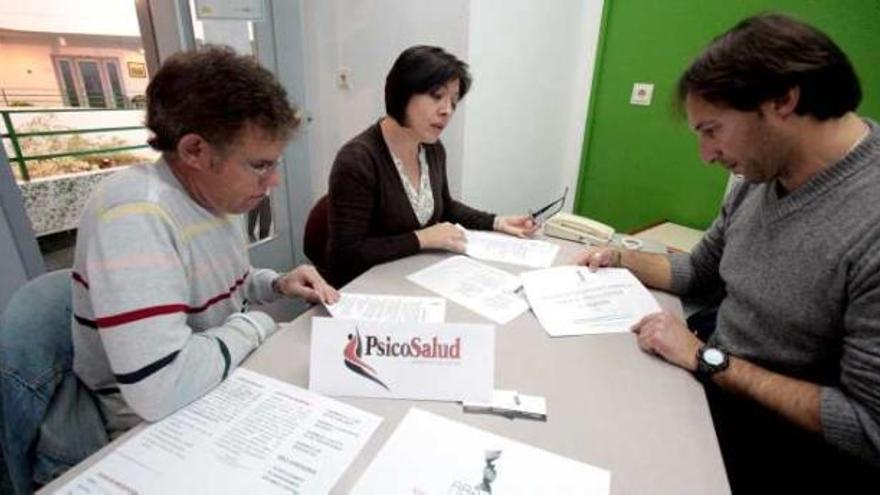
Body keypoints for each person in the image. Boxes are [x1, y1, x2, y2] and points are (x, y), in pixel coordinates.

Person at [577, 14, 879, 491]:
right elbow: (700, 271)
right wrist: (619, 257)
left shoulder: (869, 221)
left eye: (713, 130)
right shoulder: (756, 179)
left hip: (775, 444)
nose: (706, 154)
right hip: (708, 377)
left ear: (783, 100)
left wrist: (707, 359)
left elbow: (867, 427)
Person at [71, 46, 339, 436]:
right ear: (195, 150)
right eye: (260, 165)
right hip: (146, 425)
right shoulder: (133, 217)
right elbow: (160, 390)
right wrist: (259, 324)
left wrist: (276, 284)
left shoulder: (212, 196)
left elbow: (222, 282)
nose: (274, 181)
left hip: (214, 381)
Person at [326, 45, 536, 286]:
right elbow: (344, 256)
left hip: (414, 278)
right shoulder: (357, 161)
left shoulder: (431, 148)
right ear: (403, 93)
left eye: (454, 102)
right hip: (366, 290)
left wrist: (497, 222)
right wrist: (421, 238)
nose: (447, 110)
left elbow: (444, 206)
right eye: (437, 96)